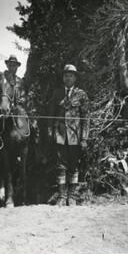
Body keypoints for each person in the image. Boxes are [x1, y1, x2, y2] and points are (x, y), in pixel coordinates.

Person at [48, 64, 90, 206]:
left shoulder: (81, 94)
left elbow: (86, 118)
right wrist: (51, 132)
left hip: (75, 136)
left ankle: (71, 196)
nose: (68, 78)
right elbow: (51, 115)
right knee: (60, 165)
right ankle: (61, 196)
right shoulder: (57, 93)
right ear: (63, 77)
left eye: (71, 75)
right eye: (66, 75)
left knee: (74, 165)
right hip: (60, 135)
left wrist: (84, 138)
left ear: (75, 78)